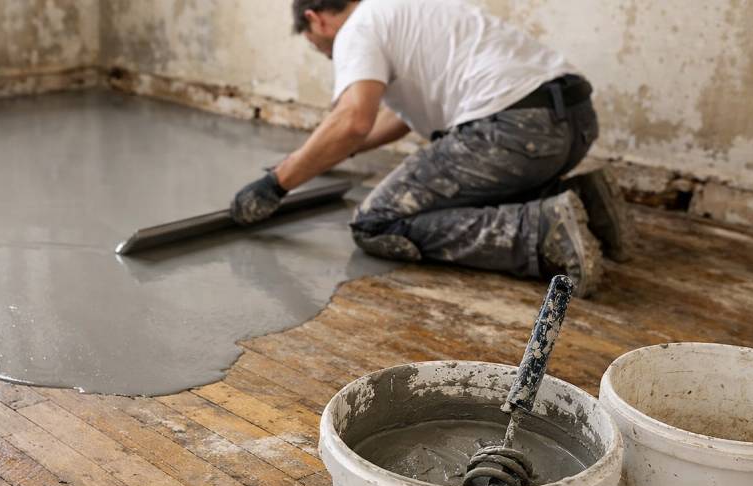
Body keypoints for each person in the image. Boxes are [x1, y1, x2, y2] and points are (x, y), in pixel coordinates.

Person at [230, 0, 632, 298]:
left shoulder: (357, 28)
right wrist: (339, 152)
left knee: (377, 221)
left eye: (316, 44)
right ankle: (584, 200)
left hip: (513, 130)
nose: (322, 51)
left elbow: (352, 120)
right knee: (457, 189)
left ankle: (542, 232)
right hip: (572, 121)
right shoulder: (401, 10)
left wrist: (276, 184)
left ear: (314, 19)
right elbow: (401, 117)